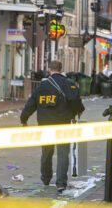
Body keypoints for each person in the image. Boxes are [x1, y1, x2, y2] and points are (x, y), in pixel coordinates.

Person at [20, 60, 85, 193]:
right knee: (62, 152)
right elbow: (75, 101)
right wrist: (79, 110)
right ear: (61, 69)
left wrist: (24, 119)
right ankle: (61, 183)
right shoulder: (69, 84)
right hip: (63, 123)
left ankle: (45, 178)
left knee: (46, 152)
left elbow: (31, 104)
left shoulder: (42, 86)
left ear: (50, 70)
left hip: (45, 124)